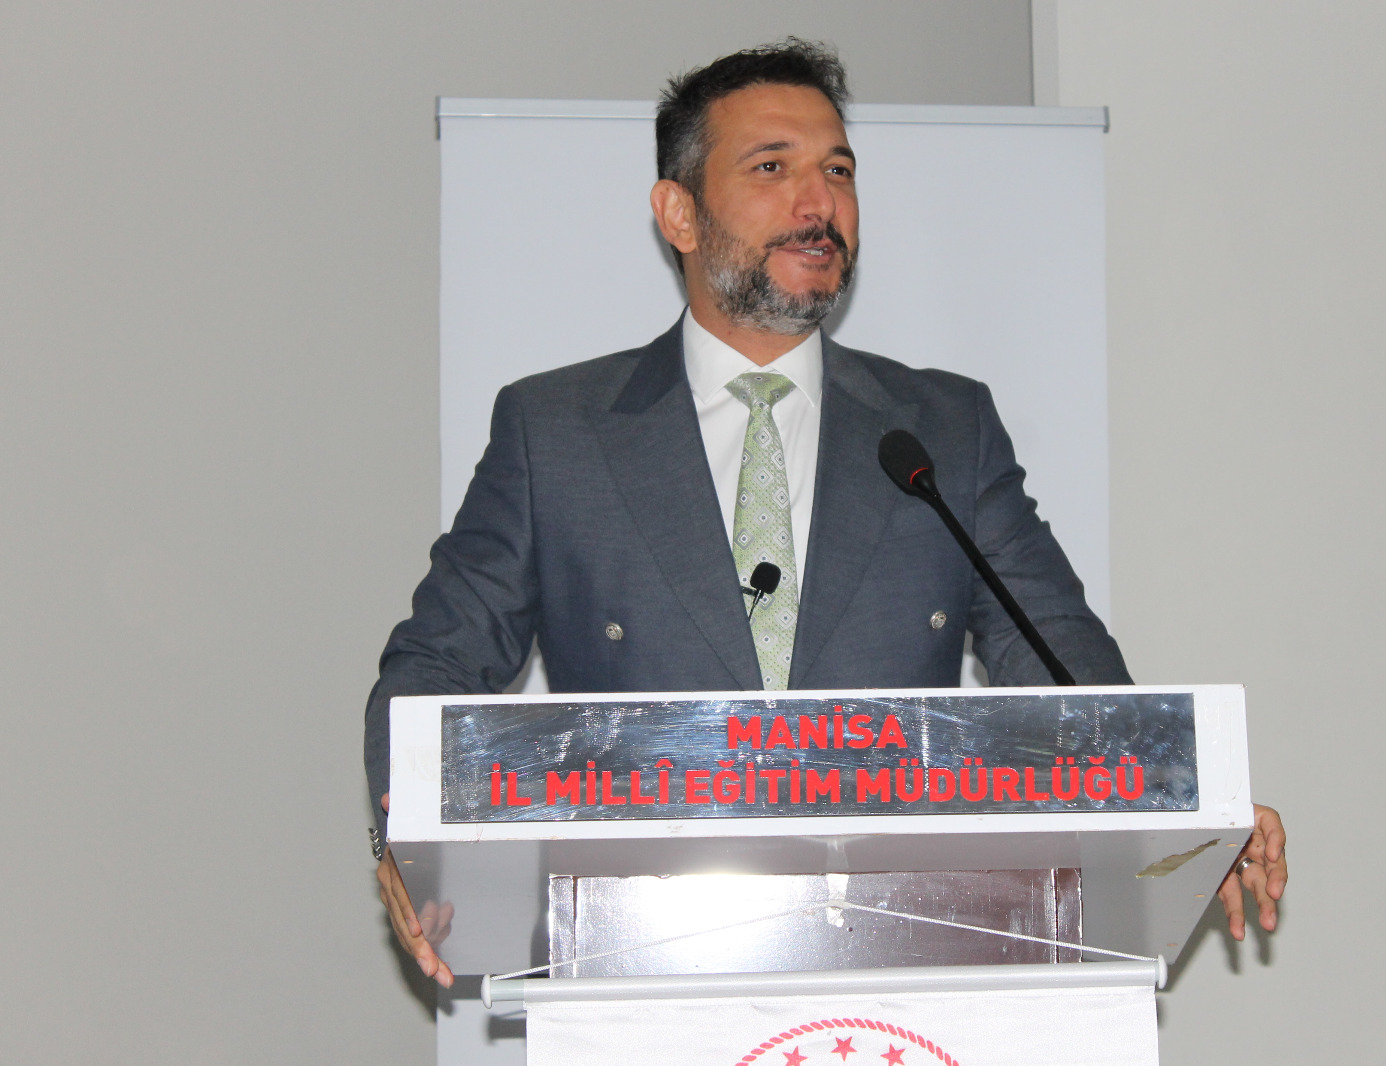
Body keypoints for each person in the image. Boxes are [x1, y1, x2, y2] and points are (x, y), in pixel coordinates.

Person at [367, 40, 1287, 989]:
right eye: (773, 169)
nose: (820, 203)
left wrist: (1188, 809)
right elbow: (434, 666)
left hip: (908, 964)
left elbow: (1061, 663)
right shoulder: (557, 432)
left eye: (838, 171)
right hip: (634, 966)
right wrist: (408, 834)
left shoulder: (941, 429)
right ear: (679, 213)